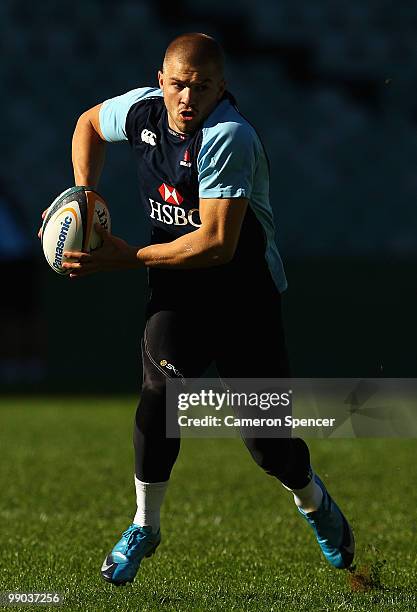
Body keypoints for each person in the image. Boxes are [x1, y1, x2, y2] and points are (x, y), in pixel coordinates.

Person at [57, 33, 355, 585]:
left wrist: (125, 258)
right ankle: (145, 524)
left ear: (221, 86)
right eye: (177, 85)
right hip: (178, 291)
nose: (187, 98)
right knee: (158, 398)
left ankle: (314, 501)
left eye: (200, 87)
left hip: (244, 299)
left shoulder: (228, 136)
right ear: (161, 80)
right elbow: (88, 124)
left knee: (268, 446)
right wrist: (84, 197)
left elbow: (216, 243)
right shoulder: (143, 109)